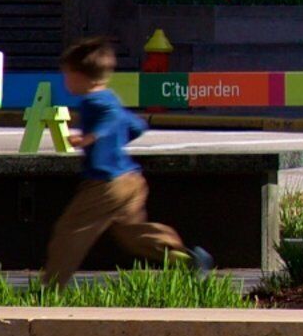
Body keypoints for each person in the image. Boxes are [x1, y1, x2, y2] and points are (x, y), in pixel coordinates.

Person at [41, 36, 194, 288]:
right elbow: (136, 126)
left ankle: (50, 289)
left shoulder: (94, 102)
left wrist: (91, 136)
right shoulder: (111, 97)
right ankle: (181, 255)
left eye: (67, 75)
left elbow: (110, 118)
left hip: (105, 183)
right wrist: (112, 138)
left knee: (69, 232)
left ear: (81, 76)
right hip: (131, 179)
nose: (65, 80)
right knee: (131, 234)